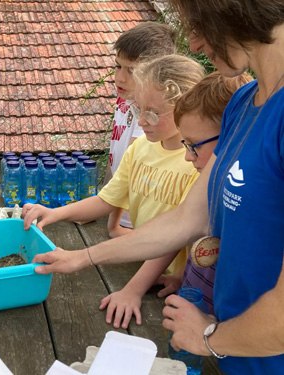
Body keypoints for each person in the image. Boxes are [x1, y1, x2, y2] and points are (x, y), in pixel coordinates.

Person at [28, 1, 284, 373]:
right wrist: (82, 258)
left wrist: (209, 337)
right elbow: (185, 220)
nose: (195, 44)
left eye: (198, 26)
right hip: (238, 355)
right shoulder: (243, 104)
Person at [23, 54, 203, 328]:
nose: (142, 121)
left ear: (186, 107)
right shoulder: (141, 148)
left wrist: (133, 290)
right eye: (138, 109)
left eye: (152, 113)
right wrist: (55, 212)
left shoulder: (197, 164)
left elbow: (174, 237)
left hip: (171, 281)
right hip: (137, 259)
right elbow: (107, 198)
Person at [173, 71, 253, 314]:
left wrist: (209, 333)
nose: (188, 156)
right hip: (194, 308)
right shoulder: (210, 187)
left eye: (194, 145)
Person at [106, 21, 176, 234]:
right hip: (115, 213)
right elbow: (116, 160)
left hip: (136, 224)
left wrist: (113, 224)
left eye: (131, 70)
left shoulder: (149, 118)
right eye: (118, 66)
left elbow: (133, 168)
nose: (120, 78)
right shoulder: (125, 102)